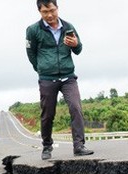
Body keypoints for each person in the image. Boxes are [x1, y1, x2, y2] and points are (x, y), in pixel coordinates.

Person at [26, 0, 93, 160]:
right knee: (48, 114)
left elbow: (78, 49)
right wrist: (42, 69)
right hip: (47, 78)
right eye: (44, 12)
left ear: (57, 8)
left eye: (52, 10)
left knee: (76, 108)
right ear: (39, 11)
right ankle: (47, 146)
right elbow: (31, 54)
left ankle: (79, 146)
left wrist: (75, 44)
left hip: (68, 76)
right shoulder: (33, 30)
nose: (49, 15)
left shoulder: (68, 27)